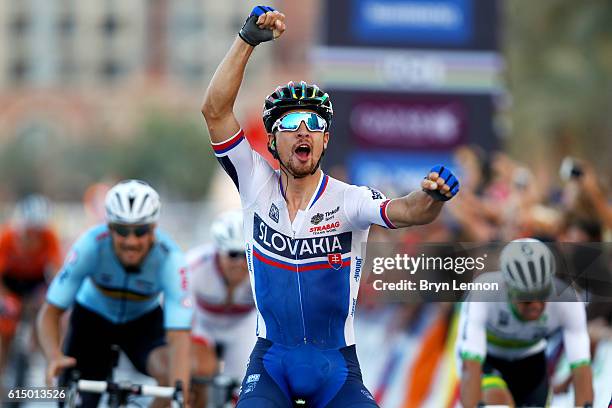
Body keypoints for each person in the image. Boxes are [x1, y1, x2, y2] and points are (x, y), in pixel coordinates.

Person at [200, 6, 460, 407]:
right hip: (271, 363)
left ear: (324, 141)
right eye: (289, 124)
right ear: (271, 140)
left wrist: (433, 197)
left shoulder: (349, 200)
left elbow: (410, 211)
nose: (302, 131)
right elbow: (215, 111)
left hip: (335, 369)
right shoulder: (254, 182)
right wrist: (246, 40)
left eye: (314, 123)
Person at [36, 180, 193, 408]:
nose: (131, 241)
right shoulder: (90, 245)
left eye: (140, 231)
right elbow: (50, 311)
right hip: (92, 319)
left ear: (153, 230)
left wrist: (181, 389)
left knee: (171, 378)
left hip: (142, 323)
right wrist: (53, 356)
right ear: (109, 228)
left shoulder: (171, 259)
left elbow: (179, 336)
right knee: (81, 398)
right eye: (122, 230)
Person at [457, 238, 593, 408]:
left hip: (530, 361)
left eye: (542, 294)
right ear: (508, 288)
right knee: (496, 401)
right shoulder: (484, 294)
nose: (535, 306)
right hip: (487, 358)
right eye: (526, 299)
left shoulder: (568, 302)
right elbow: (470, 366)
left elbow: (581, 368)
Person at [188, 210, 256, 406]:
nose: (239, 263)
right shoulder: (195, 266)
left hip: (242, 326)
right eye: (232, 254)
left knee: (247, 383)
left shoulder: (261, 270)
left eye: (245, 255)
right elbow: (179, 315)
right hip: (203, 324)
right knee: (199, 372)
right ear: (218, 251)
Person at [0, 194, 62, 380]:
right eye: (30, 231)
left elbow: (57, 269)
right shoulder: (7, 237)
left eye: (38, 232)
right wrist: (4, 298)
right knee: (6, 325)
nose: (34, 237)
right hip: (9, 283)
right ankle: (2, 370)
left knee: (44, 310)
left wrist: (50, 293)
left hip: (35, 282)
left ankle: (44, 357)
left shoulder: (49, 237)